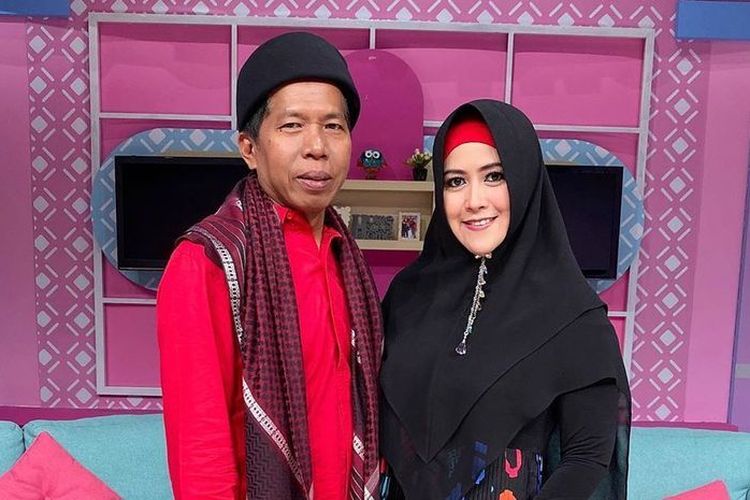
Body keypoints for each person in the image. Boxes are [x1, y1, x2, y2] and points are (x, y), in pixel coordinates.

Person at [156, 32, 382, 500]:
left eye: (333, 126)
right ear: (249, 148)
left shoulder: (346, 258)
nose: (317, 146)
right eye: (292, 125)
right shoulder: (207, 261)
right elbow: (200, 450)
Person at [379, 100, 630, 499]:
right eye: (455, 181)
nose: (474, 200)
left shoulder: (572, 315)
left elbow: (586, 458)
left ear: (525, 180)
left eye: (494, 176)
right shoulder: (407, 297)